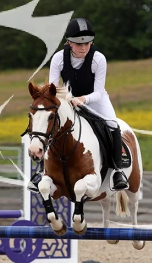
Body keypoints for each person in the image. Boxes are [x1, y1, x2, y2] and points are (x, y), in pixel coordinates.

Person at [33, 17, 128, 191]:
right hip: (69, 101)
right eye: (78, 44)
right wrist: (65, 100)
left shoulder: (98, 59)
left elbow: (99, 92)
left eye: (87, 43)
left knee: (113, 125)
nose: (83, 47)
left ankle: (117, 171)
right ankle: (42, 170)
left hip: (95, 100)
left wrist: (82, 99)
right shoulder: (58, 58)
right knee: (52, 127)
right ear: (69, 42)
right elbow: (52, 89)